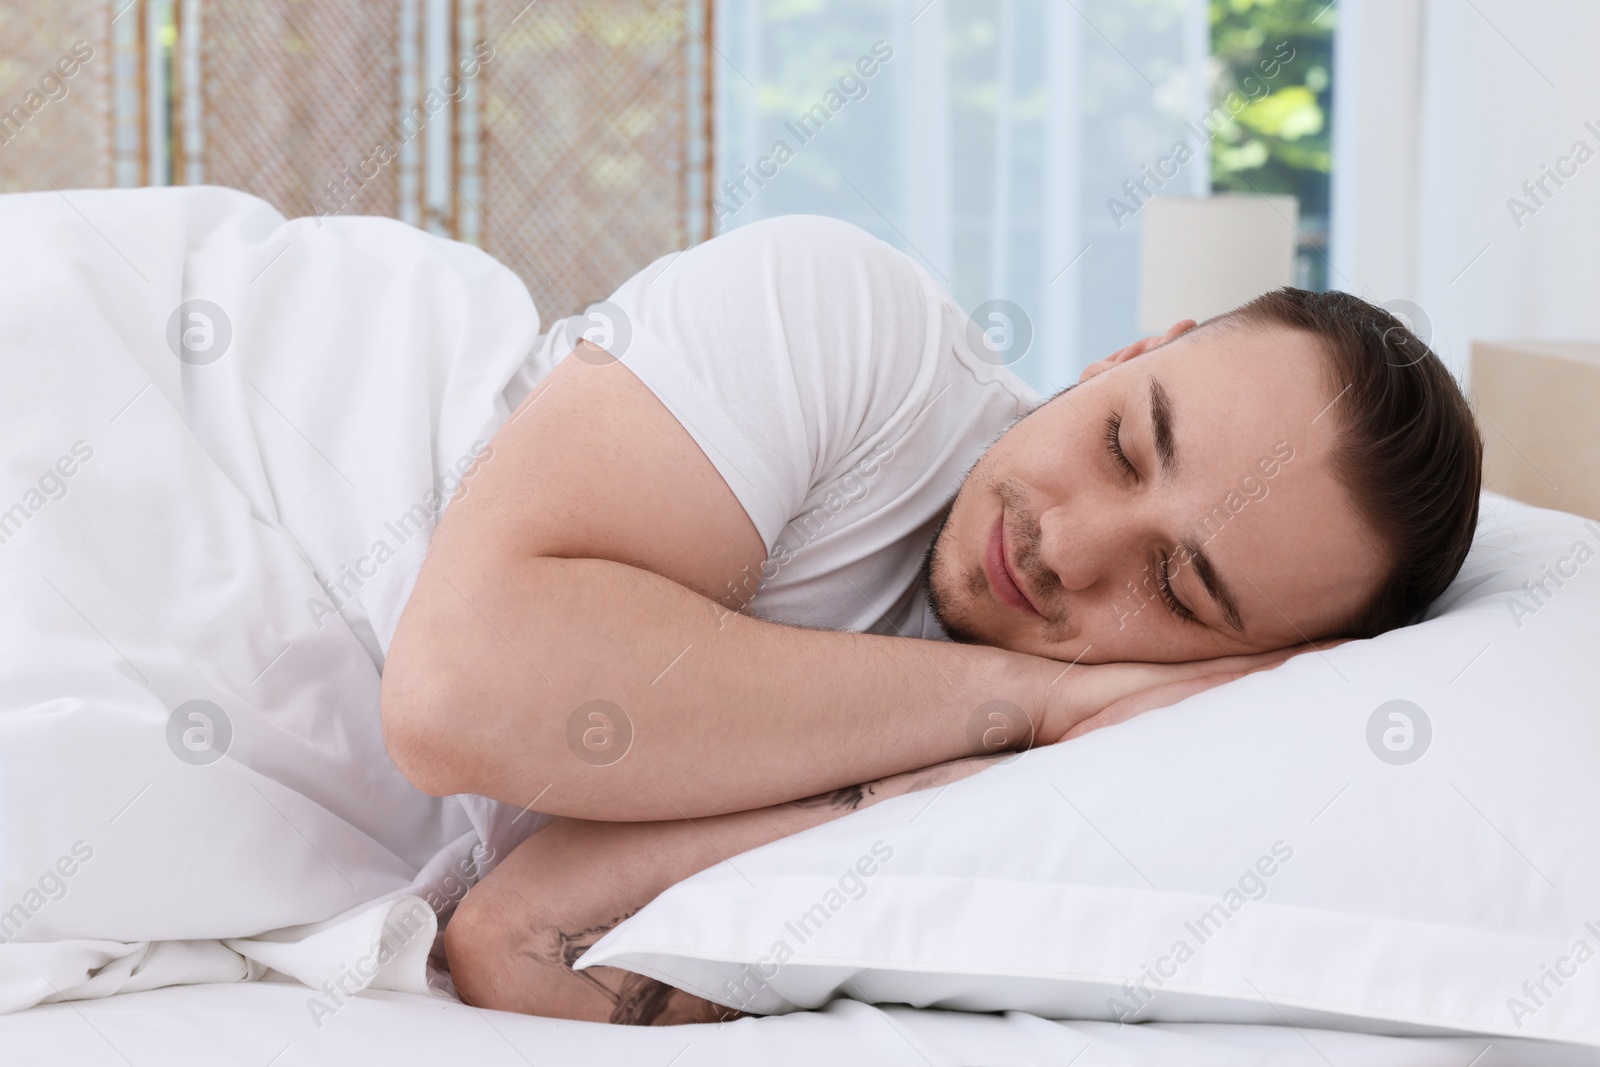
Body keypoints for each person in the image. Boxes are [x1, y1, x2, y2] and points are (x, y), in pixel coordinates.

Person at [376, 215, 1482, 1023]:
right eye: (1120, 444)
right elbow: (453, 694)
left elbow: (518, 942)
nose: (1068, 546)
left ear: (1248, 667)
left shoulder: (1052, 799)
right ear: (1130, 354)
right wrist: (1040, 698)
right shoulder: (849, 323)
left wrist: (1011, 743)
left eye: (1178, 588)